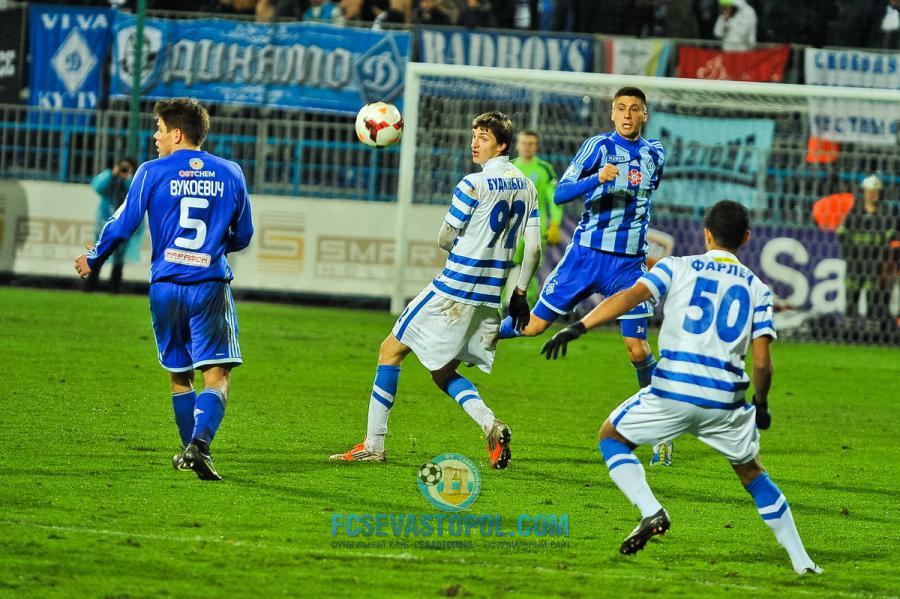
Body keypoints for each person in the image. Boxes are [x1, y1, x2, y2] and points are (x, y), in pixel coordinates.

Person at [539, 200, 822, 574]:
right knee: (754, 475)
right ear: (746, 238)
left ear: (707, 235)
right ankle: (803, 563)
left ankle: (651, 510)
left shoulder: (675, 267)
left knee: (611, 437)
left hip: (673, 391)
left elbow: (630, 296)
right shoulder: (758, 289)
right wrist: (762, 403)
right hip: (724, 400)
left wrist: (580, 326)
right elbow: (761, 362)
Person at [330, 111, 541, 469]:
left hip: (452, 289)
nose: (474, 143)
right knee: (442, 372)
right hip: (489, 297)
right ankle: (491, 424)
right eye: (474, 135)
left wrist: (461, 246)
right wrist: (519, 294)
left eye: (484, 137)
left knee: (389, 351)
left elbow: (444, 237)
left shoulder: (472, 184)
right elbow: (533, 249)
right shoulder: (528, 186)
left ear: (501, 145)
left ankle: (373, 445)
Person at [74, 98, 254, 482]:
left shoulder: (151, 172)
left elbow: (122, 223)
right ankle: (199, 446)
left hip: (166, 287)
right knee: (216, 374)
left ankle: (191, 451)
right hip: (208, 286)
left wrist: (94, 257)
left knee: (179, 375)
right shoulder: (231, 172)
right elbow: (244, 235)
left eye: (159, 129)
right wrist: (213, 247)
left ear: (177, 134)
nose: (155, 137)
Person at [496, 87, 670, 464]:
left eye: (634, 109)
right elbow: (561, 194)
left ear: (644, 115)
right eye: (621, 108)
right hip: (585, 257)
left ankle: (660, 431)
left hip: (628, 266)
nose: (627, 115)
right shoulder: (597, 147)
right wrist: (597, 179)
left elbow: (648, 191)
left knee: (637, 348)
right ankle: (481, 334)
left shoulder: (656, 153)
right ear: (612, 114)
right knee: (533, 326)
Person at [503, 129, 562, 309]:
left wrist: (555, 223)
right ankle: (502, 307)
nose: (527, 147)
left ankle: (525, 308)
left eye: (531, 143)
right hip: (509, 228)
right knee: (504, 268)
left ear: (536, 147)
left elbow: (554, 199)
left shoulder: (544, 169)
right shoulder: (508, 168)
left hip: (536, 228)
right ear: (517, 145)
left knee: (530, 270)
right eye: (524, 143)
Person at [837, 174, 898, 334]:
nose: (872, 194)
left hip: (875, 264)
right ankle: (849, 332)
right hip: (855, 262)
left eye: (875, 191)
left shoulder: (887, 213)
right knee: (851, 298)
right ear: (863, 192)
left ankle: (873, 333)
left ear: (880, 193)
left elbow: (891, 238)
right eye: (869, 191)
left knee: (874, 300)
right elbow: (842, 233)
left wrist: (881, 257)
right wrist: (849, 254)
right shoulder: (854, 212)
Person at [84, 157, 141, 293]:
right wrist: (112, 175)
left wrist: (127, 179)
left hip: (124, 223)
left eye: (127, 169)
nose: (123, 170)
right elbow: (98, 187)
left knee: (119, 256)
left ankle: (114, 286)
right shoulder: (109, 179)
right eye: (122, 167)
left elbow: (135, 194)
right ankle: (90, 285)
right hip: (105, 222)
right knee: (99, 252)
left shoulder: (134, 181)